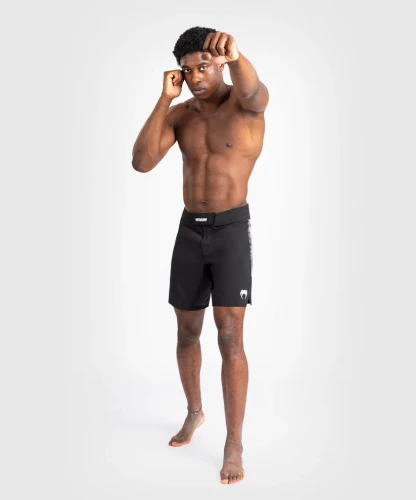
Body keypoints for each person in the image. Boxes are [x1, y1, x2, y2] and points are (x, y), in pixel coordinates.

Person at [131, 26, 269, 485]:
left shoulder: (244, 106)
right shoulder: (182, 114)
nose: (195, 77)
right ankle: (194, 412)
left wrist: (237, 57)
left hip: (231, 232)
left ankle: (234, 443)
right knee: (186, 332)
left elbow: (257, 92)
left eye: (204, 67)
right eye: (187, 70)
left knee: (230, 337)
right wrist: (164, 99)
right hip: (190, 231)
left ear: (221, 64)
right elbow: (142, 162)